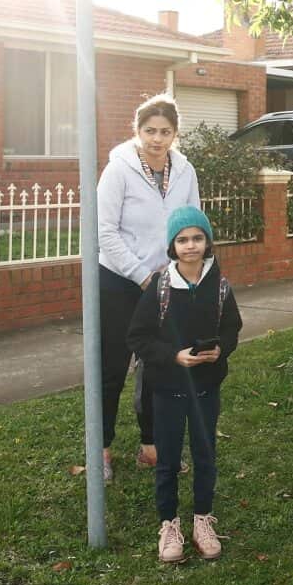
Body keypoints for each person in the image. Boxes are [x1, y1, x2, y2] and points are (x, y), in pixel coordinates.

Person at [126, 206, 242, 563]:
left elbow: (232, 329)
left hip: (206, 387)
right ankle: (169, 523)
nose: (190, 245)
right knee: (169, 460)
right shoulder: (161, 286)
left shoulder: (219, 285)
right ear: (172, 246)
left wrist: (220, 349)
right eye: (182, 239)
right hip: (168, 389)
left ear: (207, 242)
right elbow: (138, 337)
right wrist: (173, 356)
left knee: (205, 455)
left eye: (197, 238)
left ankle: (202, 519)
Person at [97, 94, 201, 481]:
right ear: (137, 130)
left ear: (175, 134)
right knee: (112, 368)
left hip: (166, 283)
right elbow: (104, 232)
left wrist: (183, 272)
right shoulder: (118, 170)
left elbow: (192, 222)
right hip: (119, 282)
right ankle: (101, 451)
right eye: (150, 131)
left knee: (158, 367)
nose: (157, 139)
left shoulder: (185, 170)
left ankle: (151, 447)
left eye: (165, 132)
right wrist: (141, 275)